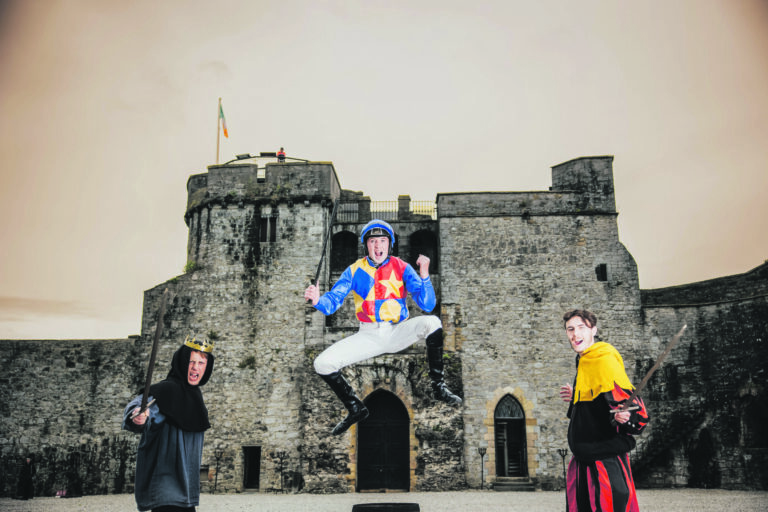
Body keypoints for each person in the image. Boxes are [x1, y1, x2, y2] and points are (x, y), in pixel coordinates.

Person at [304, 219, 461, 436]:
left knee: (433, 322)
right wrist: (317, 300)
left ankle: (439, 387)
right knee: (322, 363)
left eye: (382, 241)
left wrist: (424, 273)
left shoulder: (402, 267)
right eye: (373, 242)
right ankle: (355, 408)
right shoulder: (354, 270)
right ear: (366, 245)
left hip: (397, 331)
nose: (378, 246)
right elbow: (332, 302)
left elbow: (427, 304)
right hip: (369, 335)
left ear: (390, 244)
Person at [559, 309, 649, 512]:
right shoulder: (583, 360)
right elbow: (597, 406)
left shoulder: (604, 359)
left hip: (604, 461)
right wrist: (577, 397)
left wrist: (626, 417)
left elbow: (636, 411)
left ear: (594, 330)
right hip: (584, 459)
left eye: (581, 328)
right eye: (570, 329)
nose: (575, 334)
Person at [123, 335, 215, 512]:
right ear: (181, 362)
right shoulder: (167, 389)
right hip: (166, 488)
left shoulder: (195, 397)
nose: (195, 368)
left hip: (185, 492)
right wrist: (139, 415)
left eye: (201, 363)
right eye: (191, 362)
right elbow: (142, 406)